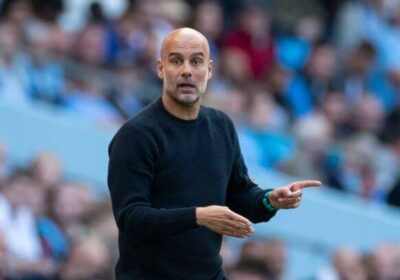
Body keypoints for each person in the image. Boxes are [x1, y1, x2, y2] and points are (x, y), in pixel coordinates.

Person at [107, 27, 321, 280]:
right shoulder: (137, 134)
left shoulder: (221, 126)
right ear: (161, 68)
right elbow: (131, 218)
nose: (187, 70)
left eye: (196, 62)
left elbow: (239, 195)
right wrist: (197, 216)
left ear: (209, 70)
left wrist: (269, 200)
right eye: (176, 61)